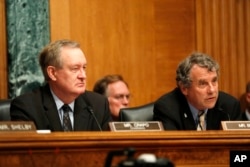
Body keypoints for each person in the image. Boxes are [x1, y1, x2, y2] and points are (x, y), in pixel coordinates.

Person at [10, 39, 112, 131]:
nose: (83, 75)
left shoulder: (98, 105)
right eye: (75, 69)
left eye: (84, 68)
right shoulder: (27, 107)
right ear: (52, 73)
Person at [153, 52, 241, 130]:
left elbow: (238, 147)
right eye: (203, 84)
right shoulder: (168, 109)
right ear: (184, 88)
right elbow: (172, 147)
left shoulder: (229, 107)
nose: (212, 90)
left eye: (214, 81)